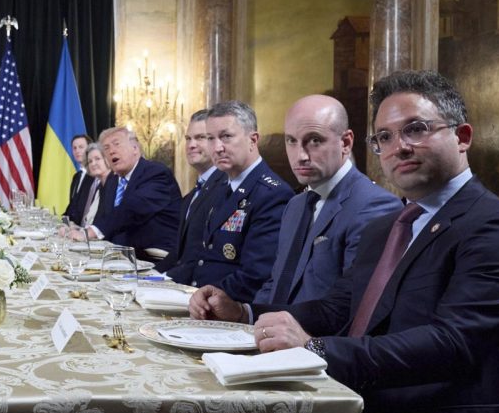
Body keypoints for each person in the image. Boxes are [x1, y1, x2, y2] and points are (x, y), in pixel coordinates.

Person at [192, 70, 499, 413]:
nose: (397, 146)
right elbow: (342, 303)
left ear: (462, 137)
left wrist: (315, 349)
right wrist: (243, 312)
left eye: (416, 129)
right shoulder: (396, 223)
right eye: (384, 137)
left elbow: (454, 343)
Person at [248, 94, 400, 304]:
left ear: (346, 143)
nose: (300, 155)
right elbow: (277, 283)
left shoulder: (374, 206)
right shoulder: (296, 204)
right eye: (291, 141)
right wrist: (244, 314)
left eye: (314, 141)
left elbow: (352, 305)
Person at [165, 100, 293, 300]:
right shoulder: (221, 187)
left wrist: (202, 298)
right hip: (199, 299)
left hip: (231, 310)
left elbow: (256, 276)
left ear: (253, 140)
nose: (217, 148)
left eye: (226, 137)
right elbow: (201, 259)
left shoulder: (272, 194)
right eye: (210, 138)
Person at [66, 127, 181, 260]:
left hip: (154, 257)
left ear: (135, 148)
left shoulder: (155, 173)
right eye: (106, 148)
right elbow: (106, 217)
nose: (111, 151)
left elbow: (132, 208)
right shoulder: (114, 181)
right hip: (119, 256)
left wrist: (90, 233)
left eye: (117, 144)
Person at [158, 109, 226, 273]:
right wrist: (148, 277)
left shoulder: (226, 187)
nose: (191, 145)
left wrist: (167, 278)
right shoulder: (190, 196)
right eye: (188, 138)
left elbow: (207, 255)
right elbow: (179, 252)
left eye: (200, 137)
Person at [65, 142, 111, 227]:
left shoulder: (115, 184)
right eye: (90, 161)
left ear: (107, 159)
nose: (93, 164)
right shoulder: (92, 181)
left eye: (97, 159)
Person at [65, 133, 94, 216]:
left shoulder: (95, 176)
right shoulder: (76, 177)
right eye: (74, 148)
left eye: (81, 147)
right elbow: (72, 206)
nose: (77, 151)